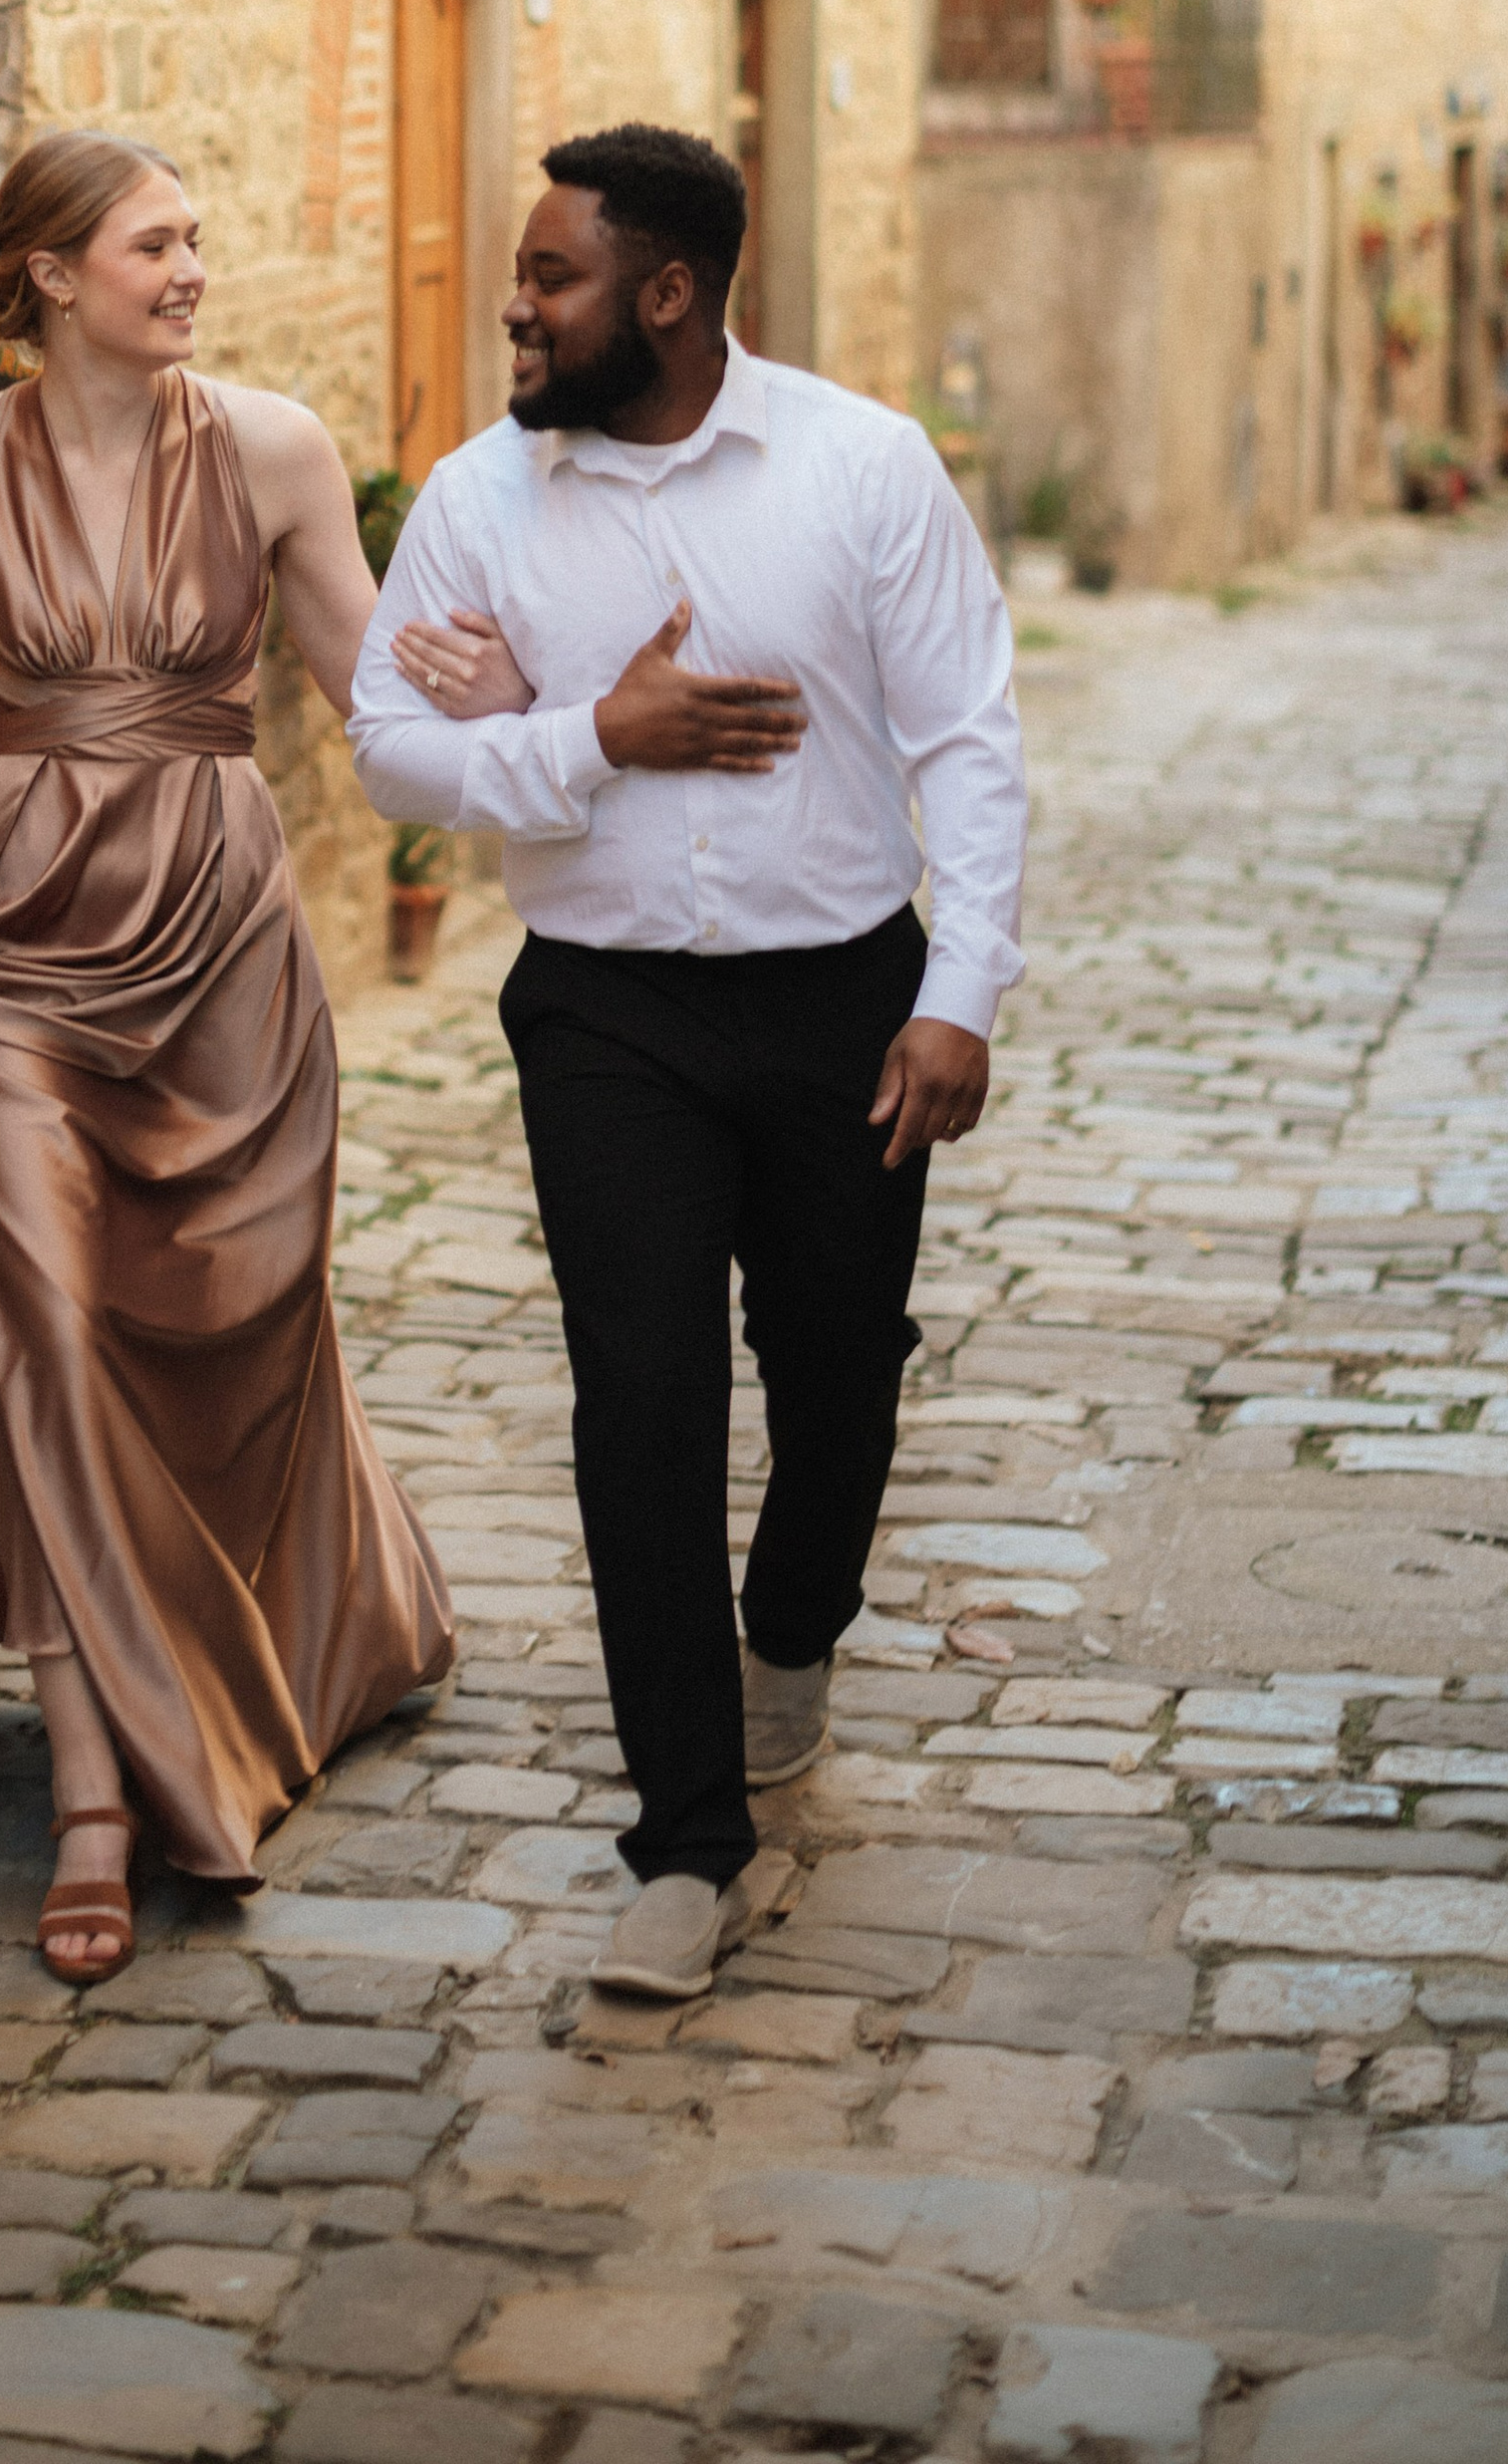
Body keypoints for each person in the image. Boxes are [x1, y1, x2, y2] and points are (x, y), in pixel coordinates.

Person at [0, 131, 500, 1980]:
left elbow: (364, 671)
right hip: (9, 942)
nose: (192, 269)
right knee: (43, 1323)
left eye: (199, 239)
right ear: (51, 274)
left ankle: (287, 1638)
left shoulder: (275, 450)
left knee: (228, 1326)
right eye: (155, 244)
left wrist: (511, 693)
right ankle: (101, 1794)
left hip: (217, 947)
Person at [350, 123, 1026, 2001]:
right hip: (607, 1012)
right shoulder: (485, 499)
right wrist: (589, 737)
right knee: (636, 1397)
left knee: (840, 1375)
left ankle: (793, 1627)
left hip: (841, 1004)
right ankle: (687, 1841)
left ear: (666, 292)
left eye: (551, 277)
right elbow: (383, 740)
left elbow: (967, 735)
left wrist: (959, 989)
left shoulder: (861, 467)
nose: (515, 303)